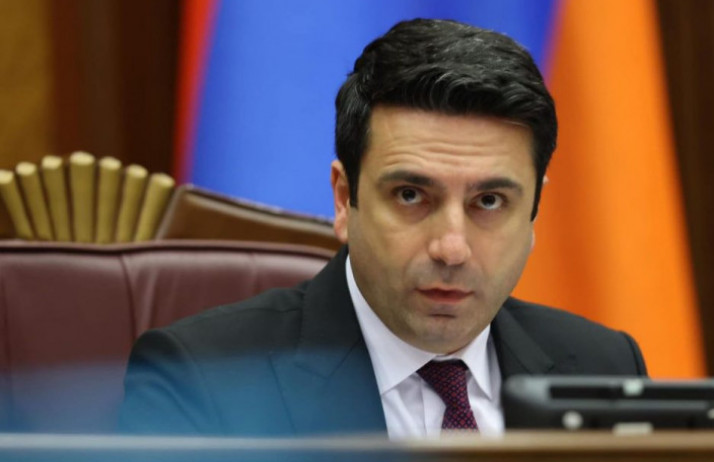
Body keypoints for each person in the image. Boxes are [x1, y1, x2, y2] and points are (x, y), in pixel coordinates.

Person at [119, 18, 646, 438]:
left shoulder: (602, 367)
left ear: (534, 211)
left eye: (489, 202)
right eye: (411, 195)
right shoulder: (204, 380)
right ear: (344, 199)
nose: (451, 248)